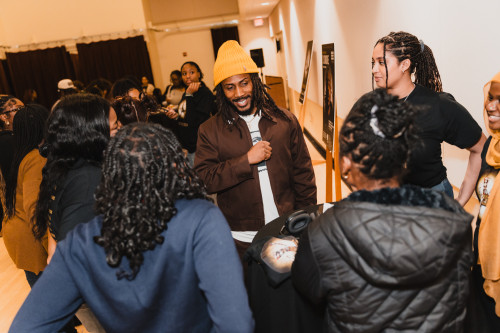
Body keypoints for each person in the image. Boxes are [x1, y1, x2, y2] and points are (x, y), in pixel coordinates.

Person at [10, 123, 254, 333]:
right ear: (176, 168)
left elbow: (26, 327)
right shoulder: (201, 220)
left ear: (110, 177)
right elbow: (236, 323)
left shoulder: (80, 242)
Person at [292, 89, 473, 332]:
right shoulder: (454, 217)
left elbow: (309, 291)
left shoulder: (321, 234)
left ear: (346, 163)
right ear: (405, 157)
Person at [195, 40, 317, 258]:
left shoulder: (284, 121)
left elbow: (303, 175)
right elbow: (204, 179)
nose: (239, 93)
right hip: (241, 238)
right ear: (222, 91)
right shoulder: (209, 130)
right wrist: (246, 160)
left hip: (286, 229)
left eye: (244, 83)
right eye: (229, 87)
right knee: (251, 292)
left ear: (255, 82)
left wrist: (305, 220)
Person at [372, 31, 485, 206]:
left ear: (405, 65)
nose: (374, 70)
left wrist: (461, 200)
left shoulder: (438, 105)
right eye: (373, 63)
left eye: (381, 62)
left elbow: (480, 148)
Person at [32, 94, 114, 333]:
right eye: (115, 125)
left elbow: (54, 228)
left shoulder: (63, 165)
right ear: (91, 131)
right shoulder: (88, 180)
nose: (121, 130)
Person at [466, 71, 500, 332]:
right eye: (490, 98)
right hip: (482, 260)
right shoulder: (491, 145)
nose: (492, 106)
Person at [2, 104, 49, 288]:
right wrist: (51, 248)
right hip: (31, 239)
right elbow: (35, 208)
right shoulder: (36, 159)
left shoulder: (25, 154)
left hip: (21, 233)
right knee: (49, 302)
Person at [166, 61, 216, 166]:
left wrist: (189, 95)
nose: (187, 76)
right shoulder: (188, 91)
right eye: (184, 74)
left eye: (191, 72)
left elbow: (195, 121)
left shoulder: (205, 94)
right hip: (186, 146)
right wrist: (176, 116)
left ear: (199, 74)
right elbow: (185, 115)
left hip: (198, 147)